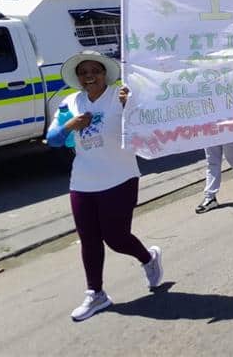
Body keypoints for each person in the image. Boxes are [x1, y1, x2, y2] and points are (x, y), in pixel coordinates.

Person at [46, 51, 163, 322]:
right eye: (83, 72)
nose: (89, 76)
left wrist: (131, 106)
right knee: (89, 239)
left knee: (116, 238)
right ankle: (96, 293)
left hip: (120, 177)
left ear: (104, 73)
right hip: (82, 182)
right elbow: (53, 139)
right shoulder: (70, 102)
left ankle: (148, 259)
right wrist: (70, 125)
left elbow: (148, 123)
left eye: (95, 71)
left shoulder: (120, 96)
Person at [195, 141, 233, 213]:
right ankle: (210, 197)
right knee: (212, 161)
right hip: (209, 135)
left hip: (227, 134)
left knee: (231, 156)